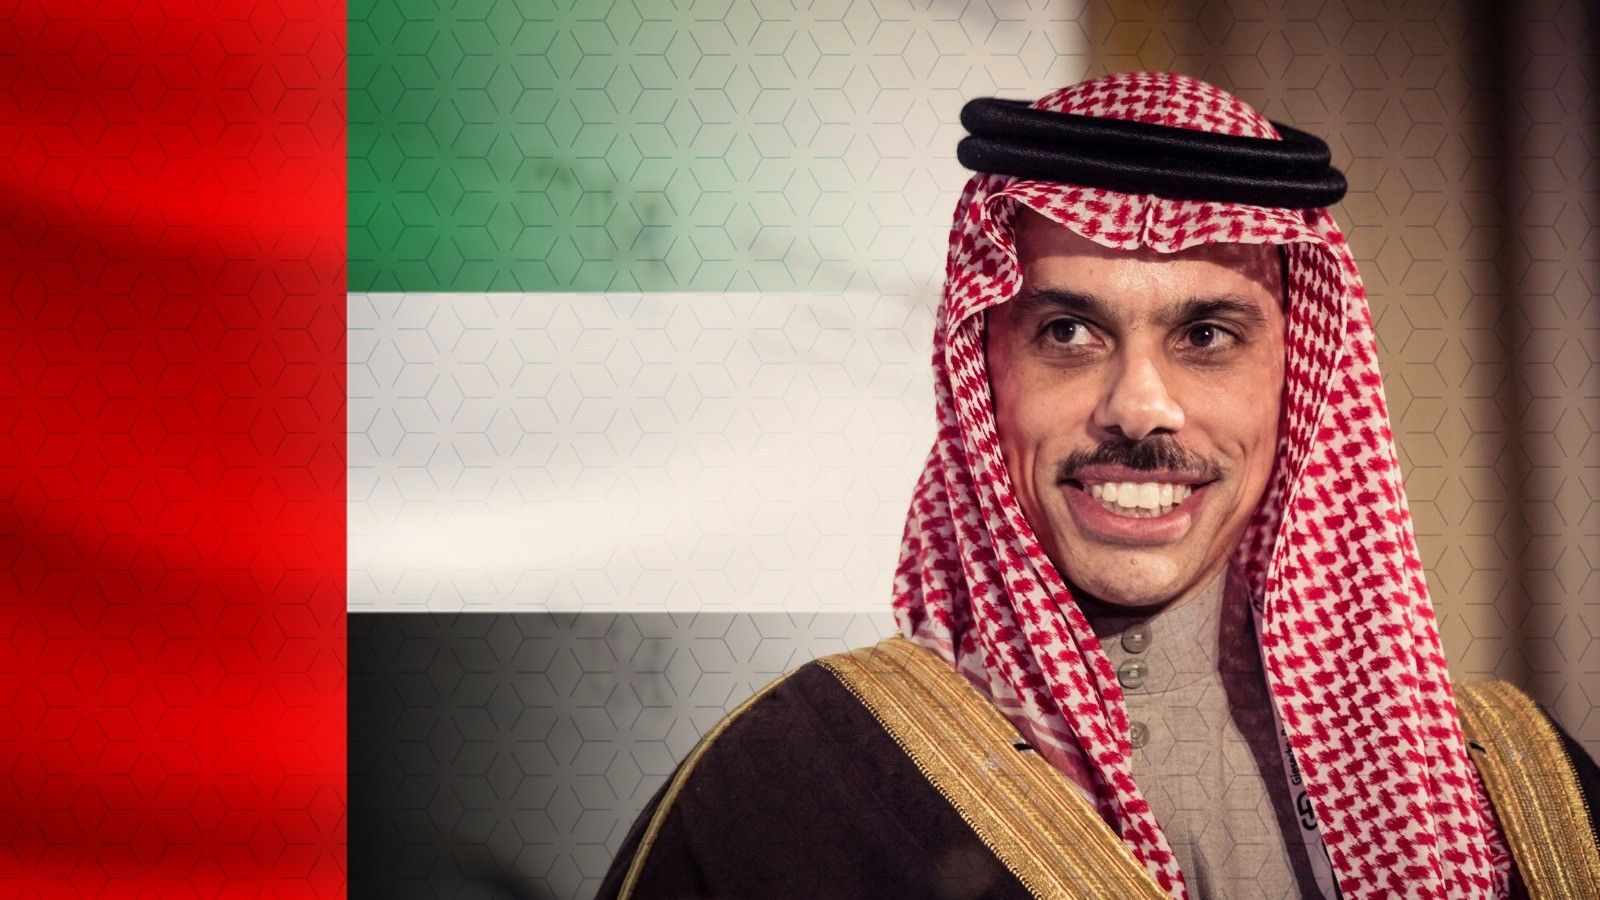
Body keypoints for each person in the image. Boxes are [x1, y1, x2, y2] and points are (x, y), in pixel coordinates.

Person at [598, 72, 1600, 900]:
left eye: (1206, 335)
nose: (1140, 408)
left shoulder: (1516, 796)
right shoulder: (788, 792)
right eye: (1068, 332)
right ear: (983, 372)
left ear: (1295, 378)